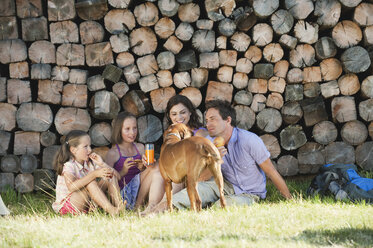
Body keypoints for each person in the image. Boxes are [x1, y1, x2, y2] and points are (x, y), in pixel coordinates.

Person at [150, 100, 292, 213]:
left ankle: (206, 214)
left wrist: (290, 200)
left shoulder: (250, 140)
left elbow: (271, 172)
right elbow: (201, 178)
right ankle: (155, 212)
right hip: (225, 186)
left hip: (249, 192)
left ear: (228, 120)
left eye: (213, 119)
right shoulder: (210, 144)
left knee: (222, 207)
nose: (208, 124)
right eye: (206, 120)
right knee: (187, 194)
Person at [140, 95, 210, 214]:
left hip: (196, 176)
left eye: (183, 112)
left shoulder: (200, 133)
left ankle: (163, 205)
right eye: (174, 114)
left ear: (190, 112)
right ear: (169, 116)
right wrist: (151, 164)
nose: (179, 117)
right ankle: (150, 207)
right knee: (157, 170)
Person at [52, 130, 124, 216]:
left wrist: (102, 164)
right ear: (73, 150)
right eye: (85, 147)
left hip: (86, 202)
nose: (90, 150)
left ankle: (119, 206)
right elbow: (71, 187)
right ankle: (111, 210)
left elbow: (117, 176)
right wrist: (94, 174)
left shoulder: (90, 163)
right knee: (91, 183)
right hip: (68, 206)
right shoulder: (69, 165)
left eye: (90, 146)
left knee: (110, 177)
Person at [105, 112, 160, 210]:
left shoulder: (140, 147)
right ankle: (123, 207)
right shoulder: (113, 153)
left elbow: (144, 174)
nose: (132, 132)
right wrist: (123, 171)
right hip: (122, 191)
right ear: (119, 130)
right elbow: (108, 181)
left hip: (139, 190)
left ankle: (137, 207)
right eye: (127, 129)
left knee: (155, 167)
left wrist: (144, 167)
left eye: (135, 128)